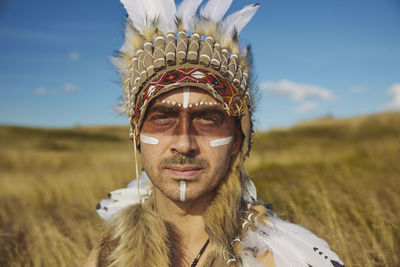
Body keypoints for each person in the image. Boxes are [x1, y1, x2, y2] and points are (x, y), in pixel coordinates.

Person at [84, 0, 345, 266]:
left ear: (237, 141)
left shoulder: (279, 258)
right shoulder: (108, 255)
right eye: (162, 118)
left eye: (208, 119)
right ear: (137, 136)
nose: (184, 144)